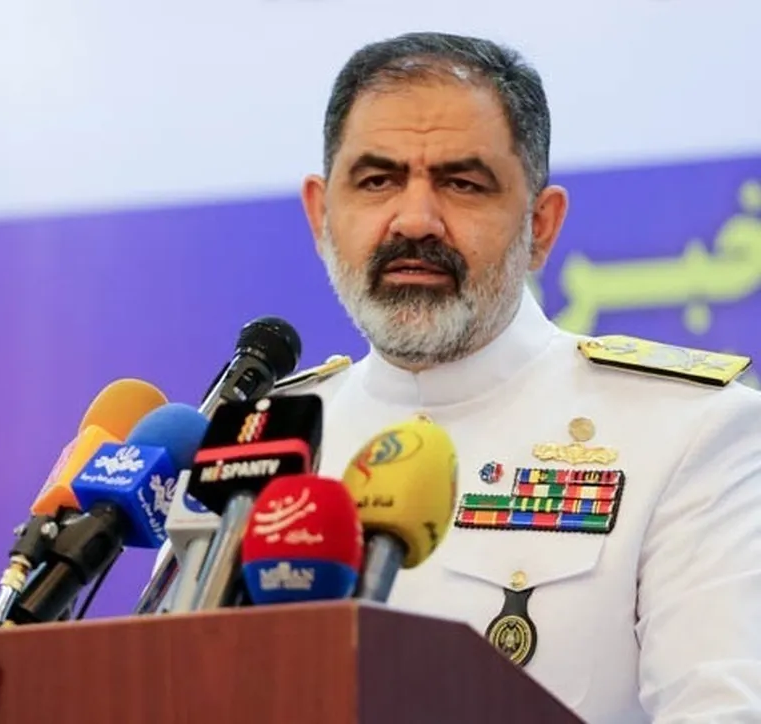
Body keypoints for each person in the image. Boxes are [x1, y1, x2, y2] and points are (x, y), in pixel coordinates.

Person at [159, 32, 761, 723]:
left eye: (462, 184)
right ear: (321, 215)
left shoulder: (690, 434)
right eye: (377, 181)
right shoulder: (252, 446)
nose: (415, 220)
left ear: (540, 226)